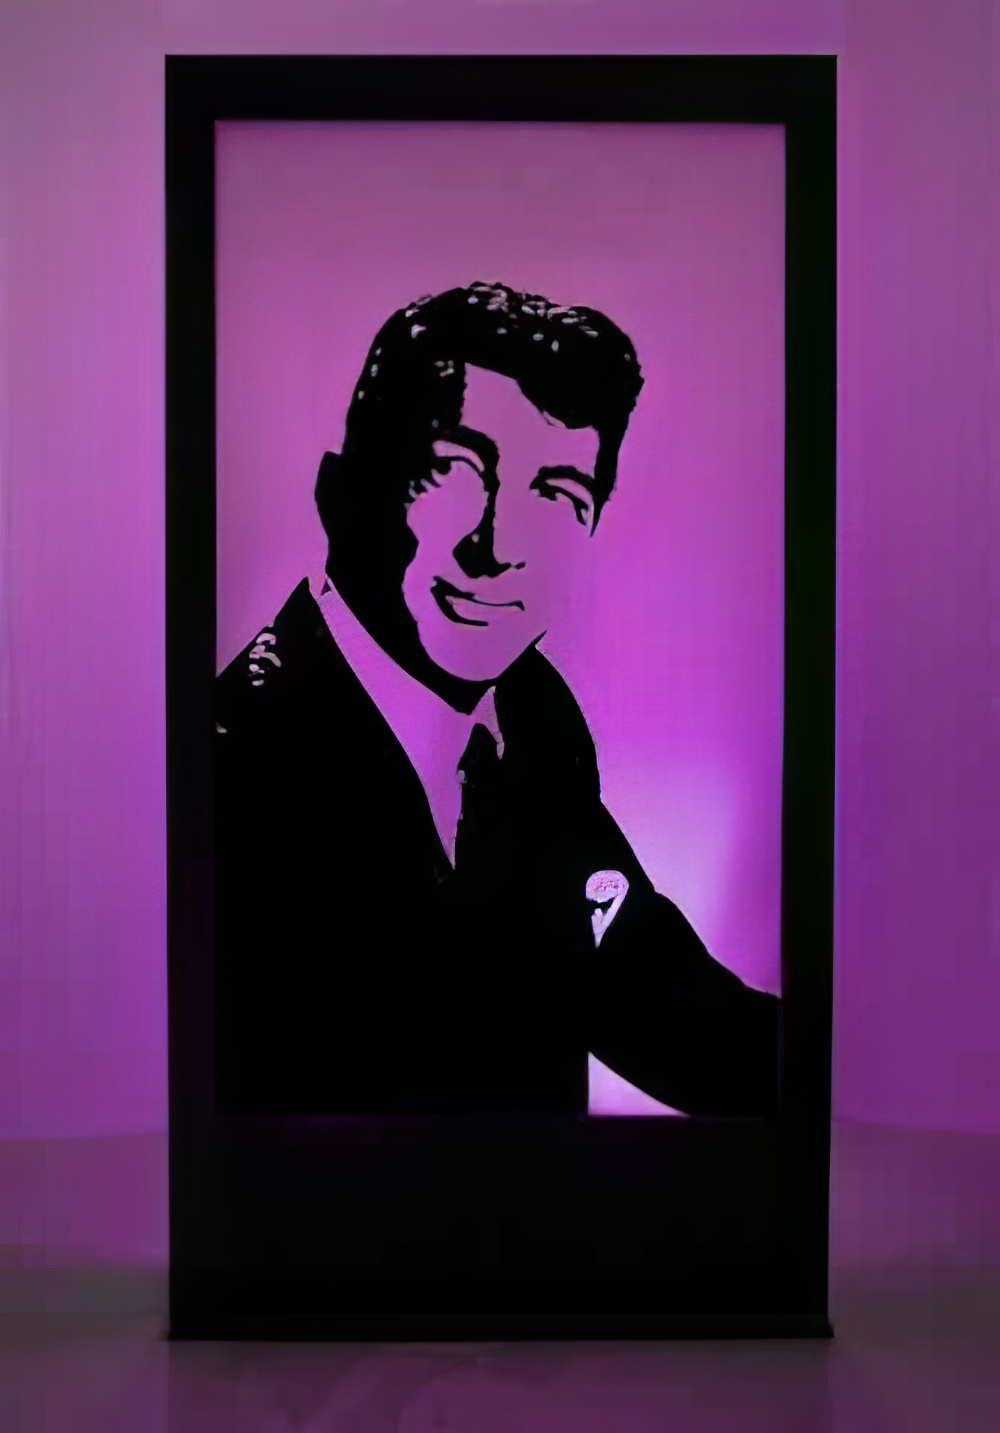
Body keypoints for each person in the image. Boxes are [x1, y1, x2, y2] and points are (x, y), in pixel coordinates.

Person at [214, 280, 779, 1118]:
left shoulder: (532, 716)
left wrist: (840, 1070)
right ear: (342, 493)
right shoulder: (236, 757)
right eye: (454, 469)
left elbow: (631, 975)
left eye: (558, 493)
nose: (499, 547)